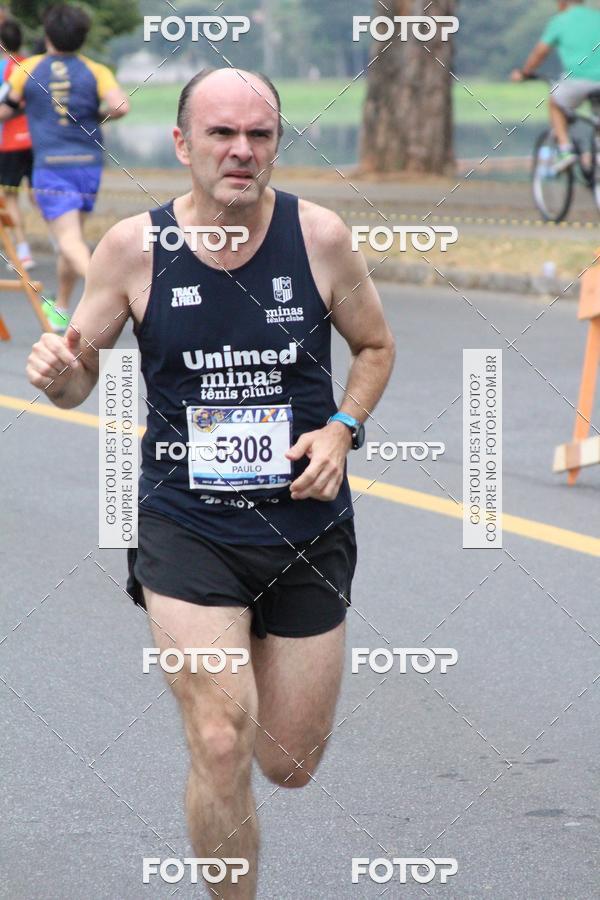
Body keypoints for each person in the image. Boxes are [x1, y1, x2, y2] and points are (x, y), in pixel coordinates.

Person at [25, 67, 395, 898]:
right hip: (184, 523)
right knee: (221, 738)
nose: (241, 151)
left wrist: (344, 428)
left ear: (276, 144)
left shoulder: (322, 237)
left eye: (259, 135)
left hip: (305, 524)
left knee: (288, 761)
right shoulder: (132, 249)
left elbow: (375, 347)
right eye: (222, 134)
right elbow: (80, 373)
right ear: (184, 144)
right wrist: (58, 374)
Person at [0, 3, 129, 332]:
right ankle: (61, 307)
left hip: (51, 166)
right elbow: (120, 105)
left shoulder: (26, 67)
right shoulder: (96, 70)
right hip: (88, 163)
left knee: (69, 240)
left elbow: (7, 108)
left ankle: (112, 292)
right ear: (83, 37)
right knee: (70, 239)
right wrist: (94, 115)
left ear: (47, 35)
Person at [512, 0, 600, 171]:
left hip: (577, 81)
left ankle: (565, 150)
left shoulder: (560, 21)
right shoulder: (597, 17)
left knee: (555, 104)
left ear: (562, 2)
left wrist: (525, 72)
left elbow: (540, 52)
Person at [0, 18, 35, 271]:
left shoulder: (4, 68)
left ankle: (22, 252)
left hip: (9, 143)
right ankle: (61, 243)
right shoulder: (32, 65)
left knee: (9, 197)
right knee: (39, 195)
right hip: (36, 141)